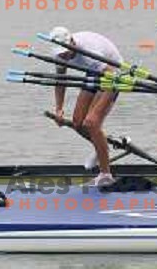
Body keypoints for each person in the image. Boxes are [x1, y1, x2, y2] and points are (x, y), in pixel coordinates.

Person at [50, 27, 122, 187]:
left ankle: (106, 174)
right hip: (93, 72)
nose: (64, 56)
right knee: (77, 123)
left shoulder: (90, 52)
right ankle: (101, 147)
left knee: (91, 123)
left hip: (113, 74)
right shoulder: (59, 55)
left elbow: (112, 79)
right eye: (61, 54)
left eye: (66, 52)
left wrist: (95, 114)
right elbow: (60, 81)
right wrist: (59, 109)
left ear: (72, 42)